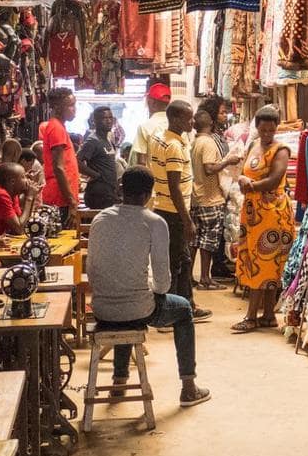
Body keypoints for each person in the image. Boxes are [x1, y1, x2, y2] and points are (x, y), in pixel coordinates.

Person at [87, 168, 210, 408]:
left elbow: (92, 271)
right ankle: (188, 387)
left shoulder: (100, 219)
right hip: (137, 309)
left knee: (126, 304)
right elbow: (163, 284)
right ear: (149, 194)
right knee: (183, 309)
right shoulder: (154, 222)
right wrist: (146, 286)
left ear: (121, 190)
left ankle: (119, 381)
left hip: (101, 310)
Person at [233, 106, 296, 333]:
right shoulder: (252, 146)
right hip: (253, 213)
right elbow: (243, 171)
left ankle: (251, 316)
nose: (268, 134)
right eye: (264, 129)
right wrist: (242, 180)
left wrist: (250, 186)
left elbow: (275, 178)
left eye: (272, 129)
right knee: (257, 260)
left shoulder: (281, 150)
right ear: (257, 127)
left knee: (264, 263)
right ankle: (268, 315)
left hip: (272, 214)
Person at [149, 100, 211, 322]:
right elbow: (174, 186)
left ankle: (187, 306)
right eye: (188, 118)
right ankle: (169, 313)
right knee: (175, 263)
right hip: (173, 212)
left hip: (166, 209)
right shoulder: (173, 145)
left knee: (183, 262)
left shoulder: (163, 138)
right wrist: (187, 220)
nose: (192, 122)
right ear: (175, 119)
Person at [190, 105, 240, 293]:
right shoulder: (209, 143)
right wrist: (228, 161)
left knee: (196, 240)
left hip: (197, 197)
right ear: (211, 122)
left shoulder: (195, 142)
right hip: (211, 199)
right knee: (209, 241)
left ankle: (191, 277)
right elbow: (209, 168)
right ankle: (205, 278)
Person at [40, 88, 81, 226]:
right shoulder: (56, 128)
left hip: (61, 197)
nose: (74, 109)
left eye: (74, 104)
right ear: (57, 107)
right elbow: (58, 168)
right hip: (60, 199)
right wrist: (72, 202)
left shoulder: (58, 127)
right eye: (70, 105)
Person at [79, 105, 121, 211]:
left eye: (110, 118)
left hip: (109, 192)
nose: (109, 121)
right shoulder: (93, 140)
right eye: (104, 118)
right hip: (98, 194)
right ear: (95, 121)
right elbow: (77, 161)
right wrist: (96, 175)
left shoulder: (108, 140)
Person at [131, 81, 171, 166]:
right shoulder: (178, 125)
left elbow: (141, 162)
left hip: (153, 178)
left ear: (151, 102)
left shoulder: (144, 127)